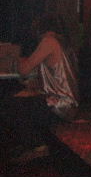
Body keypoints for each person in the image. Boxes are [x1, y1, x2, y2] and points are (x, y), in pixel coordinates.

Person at [0, 14, 79, 163]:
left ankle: (36, 144)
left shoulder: (49, 41)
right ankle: (25, 143)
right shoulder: (62, 42)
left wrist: (11, 57)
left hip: (60, 104)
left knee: (9, 103)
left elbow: (24, 69)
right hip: (67, 102)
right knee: (18, 97)